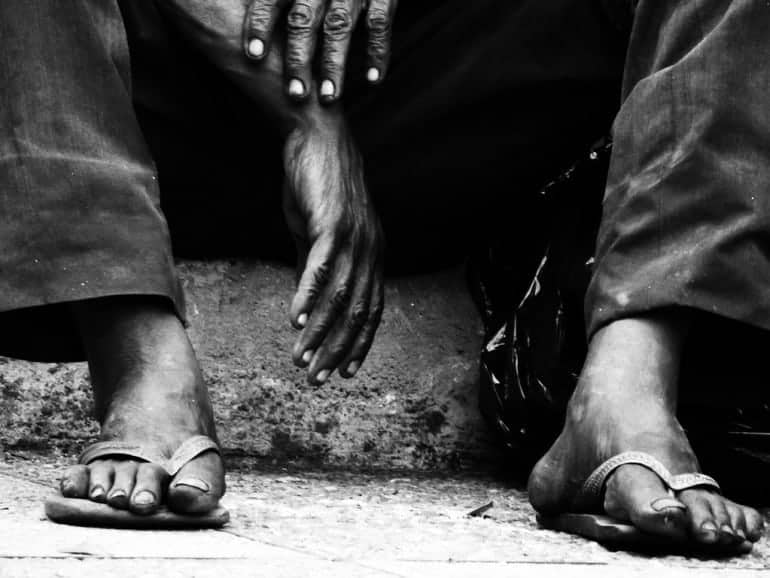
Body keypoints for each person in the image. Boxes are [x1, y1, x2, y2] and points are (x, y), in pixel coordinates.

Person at [2, 0, 763, 552]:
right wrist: (306, 114)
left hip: (438, 102)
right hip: (148, 101)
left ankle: (628, 385)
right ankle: (139, 361)